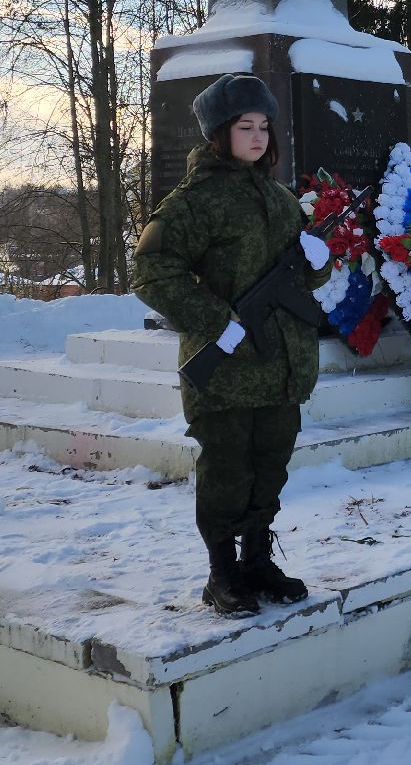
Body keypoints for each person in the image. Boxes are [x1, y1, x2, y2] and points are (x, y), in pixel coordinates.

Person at [132, 73, 333, 616]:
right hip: (226, 373)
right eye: (246, 127)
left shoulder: (281, 198)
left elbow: (301, 278)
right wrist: (216, 319)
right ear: (219, 132)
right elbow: (151, 270)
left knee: (270, 468)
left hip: (281, 368)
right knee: (226, 473)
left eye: (264, 126)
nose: (258, 136)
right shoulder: (193, 202)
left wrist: (319, 264)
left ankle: (257, 562)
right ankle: (222, 573)